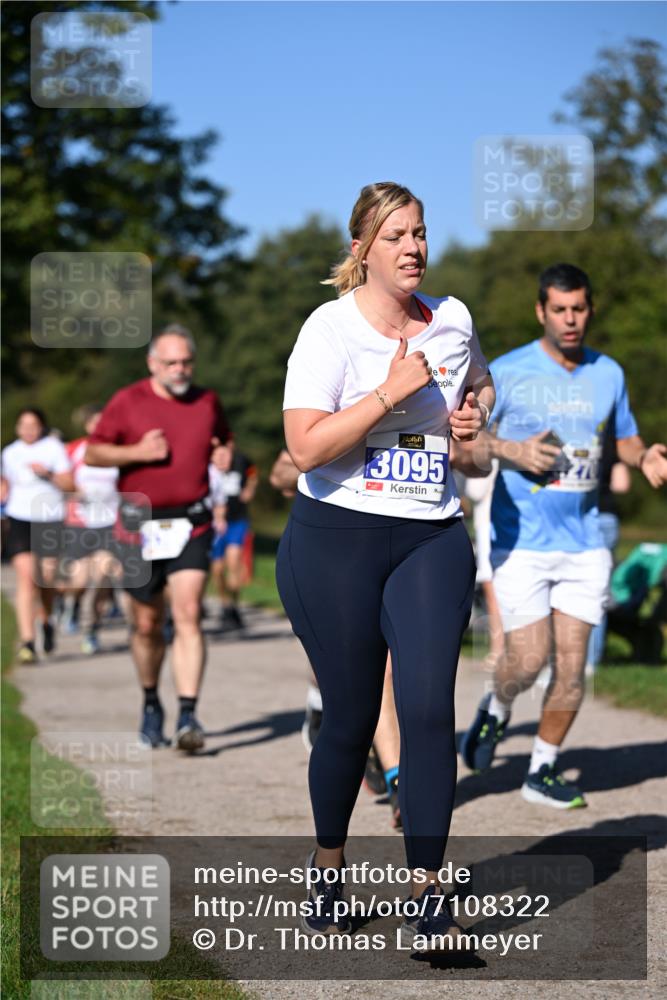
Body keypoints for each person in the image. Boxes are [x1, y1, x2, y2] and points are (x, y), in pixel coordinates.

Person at [275, 181, 494, 950]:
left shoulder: (453, 318)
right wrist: (385, 393)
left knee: (431, 709)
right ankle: (328, 866)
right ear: (362, 248)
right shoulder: (328, 331)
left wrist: (473, 412)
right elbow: (304, 447)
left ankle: (428, 894)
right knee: (351, 717)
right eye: (396, 235)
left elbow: (477, 380)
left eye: (421, 233)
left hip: (429, 535)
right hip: (334, 536)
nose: (413, 248)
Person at [460, 263, 667, 808]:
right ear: (541, 311)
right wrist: (514, 450)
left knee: (572, 666)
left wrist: (644, 455)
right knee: (527, 660)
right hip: (521, 540)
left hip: (583, 542)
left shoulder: (609, 373)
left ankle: (541, 770)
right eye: (559, 310)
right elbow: (468, 447)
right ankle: (497, 709)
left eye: (579, 309)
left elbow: (623, 439)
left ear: (589, 309)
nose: (570, 320)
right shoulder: (506, 371)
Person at [85, 324, 233, 752]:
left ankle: (188, 714)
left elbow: (222, 439)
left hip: (191, 522)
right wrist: (136, 453)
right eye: (171, 362)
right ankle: (152, 702)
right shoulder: (127, 401)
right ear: (153, 363)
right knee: (146, 624)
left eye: (187, 361)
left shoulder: (207, 400)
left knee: (188, 612)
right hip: (137, 525)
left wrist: (222, 451)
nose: (180, 369)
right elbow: (95, 451)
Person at [1, 408, 74, 663]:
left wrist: (48, 474)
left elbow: (69, 484)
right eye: (23, 425)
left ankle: (47, 620)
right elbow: (5, 484)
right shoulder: (9, 453)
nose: (28, 429)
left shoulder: (53, 448)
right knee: (27, 579)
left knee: (46, 579)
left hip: (50, 517)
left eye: (33, 425)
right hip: (20, 518)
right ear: (18, 427)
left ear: (42, 426)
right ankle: (28, 642)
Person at [61, 404, 122, 654]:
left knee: (101, 580)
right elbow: (62, 480)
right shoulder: (74, 450)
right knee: (79, 581)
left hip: (110, 523)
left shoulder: (119, 451)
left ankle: (91, 630)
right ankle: (71, 604)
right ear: (87, 425)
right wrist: (74, 491)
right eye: (95, 423)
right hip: (80, 523)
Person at [210, 449, 259, 630]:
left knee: (234, 561)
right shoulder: (207, 465)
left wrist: (249, 489)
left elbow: (253, 473)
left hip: (237, 520)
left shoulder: (241, 460)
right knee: (217, 569)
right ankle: (225, 604)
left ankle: (234, 606)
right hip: (215, 524)